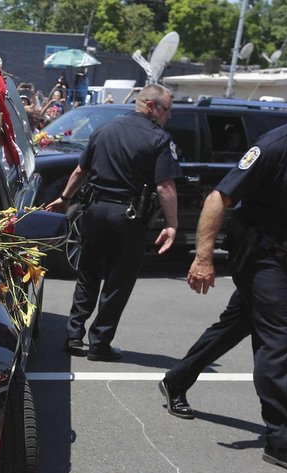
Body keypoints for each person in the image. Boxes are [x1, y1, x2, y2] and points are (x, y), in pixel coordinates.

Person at [159, 69, 287, 472]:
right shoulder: (277, 145)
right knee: (277, 338)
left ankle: (176, 380)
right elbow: (219, 197)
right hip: (259, 256)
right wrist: (203, 257)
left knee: (236, 324)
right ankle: (283, 441)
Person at [47, 83, 181, 361]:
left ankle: (73, 335)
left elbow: (80, 170)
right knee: (118, 281)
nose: (169, 116)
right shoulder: (159, 139)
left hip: (94, 211)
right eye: (167, 109)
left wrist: (64, 198)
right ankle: (99, 343)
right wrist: (172, 224)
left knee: (88, 274)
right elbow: (165, 186)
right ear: (150, 106)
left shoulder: (105, 129)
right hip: (128, 216)